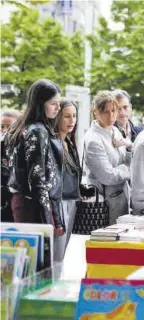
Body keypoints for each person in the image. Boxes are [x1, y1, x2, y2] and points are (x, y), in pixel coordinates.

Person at [7, 79, 64, 236]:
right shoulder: (37, 131)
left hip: (27, 202)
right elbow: (37, 178)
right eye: (53, 103)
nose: (58, 108)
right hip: (32, 204)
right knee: (36, 258)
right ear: (40, 103)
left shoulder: (25, 126)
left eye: (59, 103)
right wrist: (49, 219)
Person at [53, 100, 95, 265]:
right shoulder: (53, 142)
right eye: (67, 116)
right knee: (56, 253)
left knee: (62, 252)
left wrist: (80, 190)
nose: (72, 120)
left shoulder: (69, 142)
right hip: (59, 203)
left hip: (71, 201)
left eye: (74, 116)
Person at [84, 91, 132, 225]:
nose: (111, 116)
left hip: (122, 199)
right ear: (95, 112)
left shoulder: (115, 131)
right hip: (104, 206)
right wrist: (128, 169)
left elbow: (126, 160)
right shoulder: (93, 139)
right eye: (106, 111)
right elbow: (108, 176)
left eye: (113, 111)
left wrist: (129, 148)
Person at [1, 110, 20, 222]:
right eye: (2, 126)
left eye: (9, 126)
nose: (4, 130)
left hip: (16, 206)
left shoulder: (24, 149)